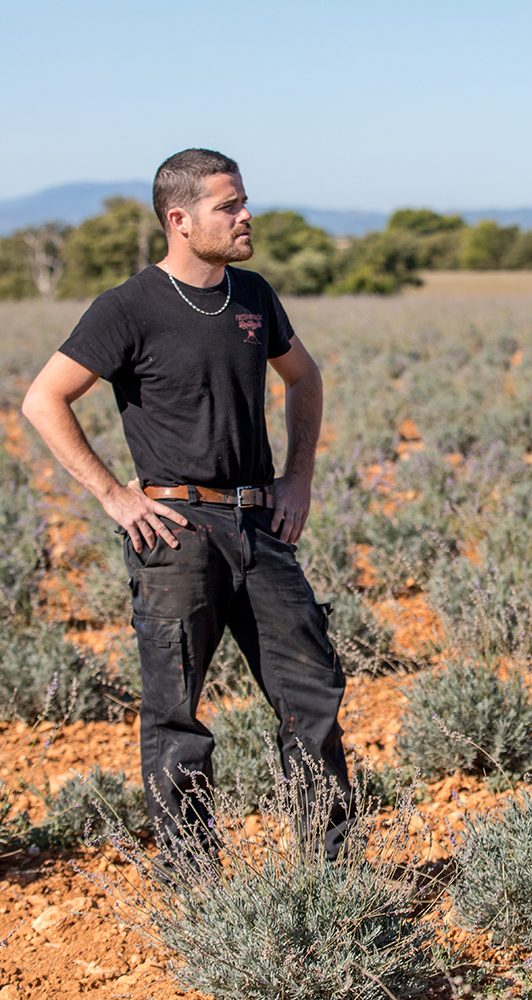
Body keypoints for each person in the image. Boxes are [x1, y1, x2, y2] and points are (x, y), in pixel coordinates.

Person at [21, 148, 351, 862]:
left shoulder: (254, 295)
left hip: (260, 524)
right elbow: (42, 399)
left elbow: (304, 377)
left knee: (313, 696)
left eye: (242, 202)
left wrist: (298, 480)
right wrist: (114, 496)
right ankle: (194, 889)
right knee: (177, 720)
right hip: (175, 533)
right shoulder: (128, 307)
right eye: (228, 206)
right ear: (180, 219)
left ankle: (332, 874)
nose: (246, 215)